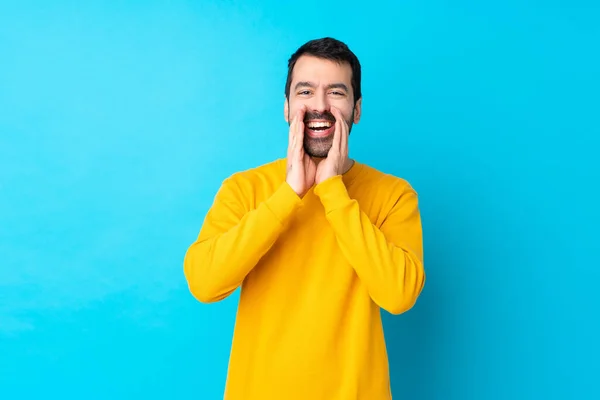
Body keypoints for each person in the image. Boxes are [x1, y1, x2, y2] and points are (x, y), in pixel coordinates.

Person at [183, 37, 426, 400]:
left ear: (357, 110)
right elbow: (204, 283)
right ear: (286, 106)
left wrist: (332, 191)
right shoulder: (244, 189)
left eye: (337, 93)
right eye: (306, 92)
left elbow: (399, 295)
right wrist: (288, 195)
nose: (320, 106)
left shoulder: (394, 196)